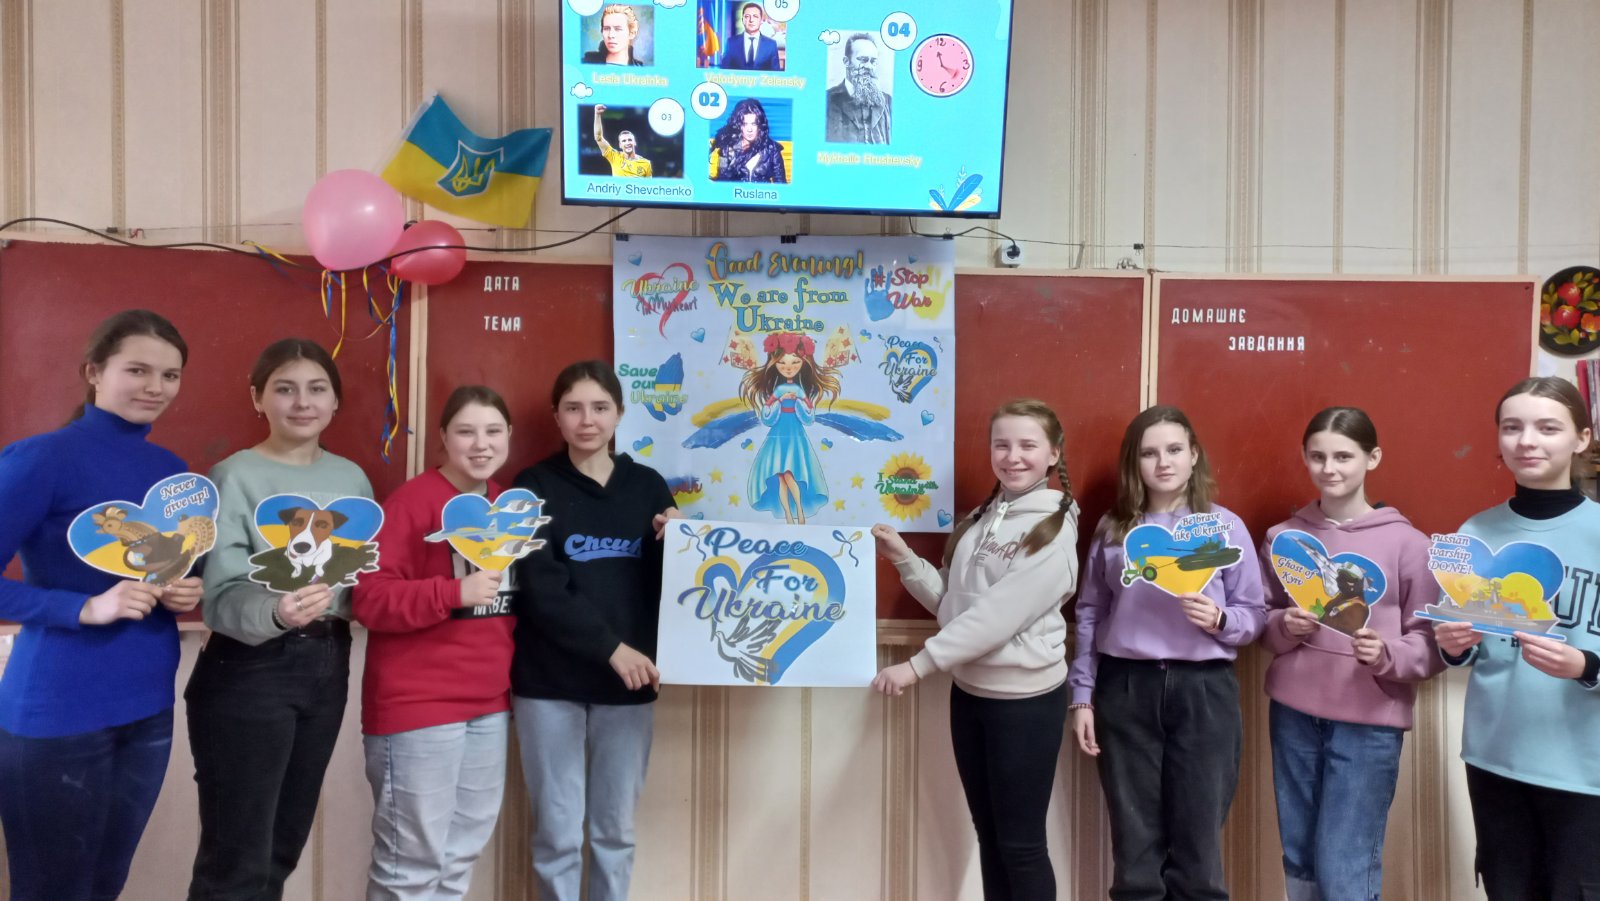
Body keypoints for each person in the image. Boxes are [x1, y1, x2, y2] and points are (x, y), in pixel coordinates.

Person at [0, 310, 202, 901]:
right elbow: (87, 597)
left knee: (105, 885)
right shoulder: (42, 458)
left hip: (147, 708)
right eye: (137, 370)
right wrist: (82, 608)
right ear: (94, 372)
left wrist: (183, 589)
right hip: (57, 712)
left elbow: (164, 569)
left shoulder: (172, 473)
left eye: (170, 375)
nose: (155, 387)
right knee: (53, 891)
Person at [185, 338, 375, 900]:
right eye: (285, 389)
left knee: (280, 849)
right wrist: (277, 610)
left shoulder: (352, 481)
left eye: (317, 389)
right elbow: (218, 594)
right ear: (257, 398)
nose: (302, 402)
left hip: (328, 663)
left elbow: (361, 575)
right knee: (237, 859)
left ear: (335, 401)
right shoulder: (233, 475)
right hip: (250, 667)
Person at [872, 398, 1078, 901]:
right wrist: (905, 559)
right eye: (1001, 445)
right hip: (970, 695)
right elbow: (956, 607)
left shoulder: (1054, 528)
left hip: (1024, 703)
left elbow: (998, 617)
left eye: (1027, 445)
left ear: (1053, 454)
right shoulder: (983, 518)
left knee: (1022, 846)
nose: (1013, 456)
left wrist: (917, 666)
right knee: (990, 837)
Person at [1068, 404, 1266, 900]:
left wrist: (1220, 620)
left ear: (1194, 455)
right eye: (1149, 453)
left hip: (1204, 692)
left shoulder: (1223, 528)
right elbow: (1089, 613)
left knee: (1199, 853)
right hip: (1126, 688)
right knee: (1135, 853)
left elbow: (1254, 614)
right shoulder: (1114, 529)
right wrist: (1082, 697)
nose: (1163, 463)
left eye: (1175, 450)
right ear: (1133, 462)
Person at [511, 361, 680, 901]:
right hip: (549, 684)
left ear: (620, 414)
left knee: (615, 834)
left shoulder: (648, 487)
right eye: (574, 408)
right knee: (558, 835)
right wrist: (611, 648)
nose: (587, 420)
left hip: (628, 685)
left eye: (600, 407)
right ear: (556, 416)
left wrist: (679, 542)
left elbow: (676, 587)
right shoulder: (531, 486)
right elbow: (541, 587)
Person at [1259, 407, 1443, 901]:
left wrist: (1386, 655)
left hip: (1368, 723)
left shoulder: (1409, 544)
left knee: (1345, 865)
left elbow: (1430, 643)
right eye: (1317, 456)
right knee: (1299, 856)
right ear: (1304, 458)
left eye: (1343, 456)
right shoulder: (1284, 539)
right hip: (1293, 714)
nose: (1329, 468)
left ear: (1372, 458)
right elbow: (1264, 622)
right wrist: (1284, 627)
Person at [1433, 377, 1600, 900]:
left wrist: (1586, 666)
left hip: (1584, 770)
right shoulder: (1473, 534)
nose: (1527, 441)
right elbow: (1469, 650)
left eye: (1547, 428)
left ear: (1581, 438)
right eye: (1512, 427)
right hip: (1494, 759)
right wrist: (1454, 646)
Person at [353, 386, 518, 901]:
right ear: (443, 437)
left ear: (509, 436)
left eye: (493, 431)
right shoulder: (413, 502)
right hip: (418, 708)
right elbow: (369, 599)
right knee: (409, 867)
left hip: (489, 705)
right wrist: (452, 593)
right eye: (466, 431)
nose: (481, 444)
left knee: (458, 859)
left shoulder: (507, 506)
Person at [825, 32, 891, 144]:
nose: (869, 66)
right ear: (846, 61)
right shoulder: (827, 99)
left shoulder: (887, 101)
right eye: (863, 60)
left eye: (873, 61)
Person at [711, 97, 787, 184]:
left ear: (760, 125)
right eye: (745, 124)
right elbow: (721, 181)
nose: (749, 129)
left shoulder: (772, 149)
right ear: (739, 125)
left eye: (754, 124)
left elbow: (781, 183)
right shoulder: (726, 149)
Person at [592, 105, 652, 178]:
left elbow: (649, 184)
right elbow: (598, 138)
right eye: (624, 141)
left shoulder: (646, 163)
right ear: (620, 145)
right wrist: (597, 114)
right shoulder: (614, 156)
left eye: (630, 140)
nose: (627, 143)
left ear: (635, 142)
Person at [720, 2, 779, 70]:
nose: (751, 20)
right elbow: (724, 70)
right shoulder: (731, 43)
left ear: (761, 20)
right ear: (743, 20)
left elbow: (776, 73)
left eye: (755, 16)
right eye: (747, 16)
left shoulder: (771, 45)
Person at [581, 4, 646, 66]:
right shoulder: (586, 62)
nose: (610, 35)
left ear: (632, 33)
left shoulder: (640, 69)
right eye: (606, 28)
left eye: (618, 29)